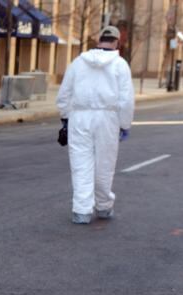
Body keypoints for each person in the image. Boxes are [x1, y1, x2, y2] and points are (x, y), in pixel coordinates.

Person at [56, 26, 134, 224]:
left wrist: (65, 116)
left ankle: (81, 211)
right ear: (116, 42)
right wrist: (125, 124)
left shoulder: (78, 63)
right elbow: (126, 100)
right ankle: (103, 206)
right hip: (107, 118)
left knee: (81, 164)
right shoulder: (120, 65)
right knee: (104, 165)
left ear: (99, 40)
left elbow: (64, 93)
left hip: (79, 117)